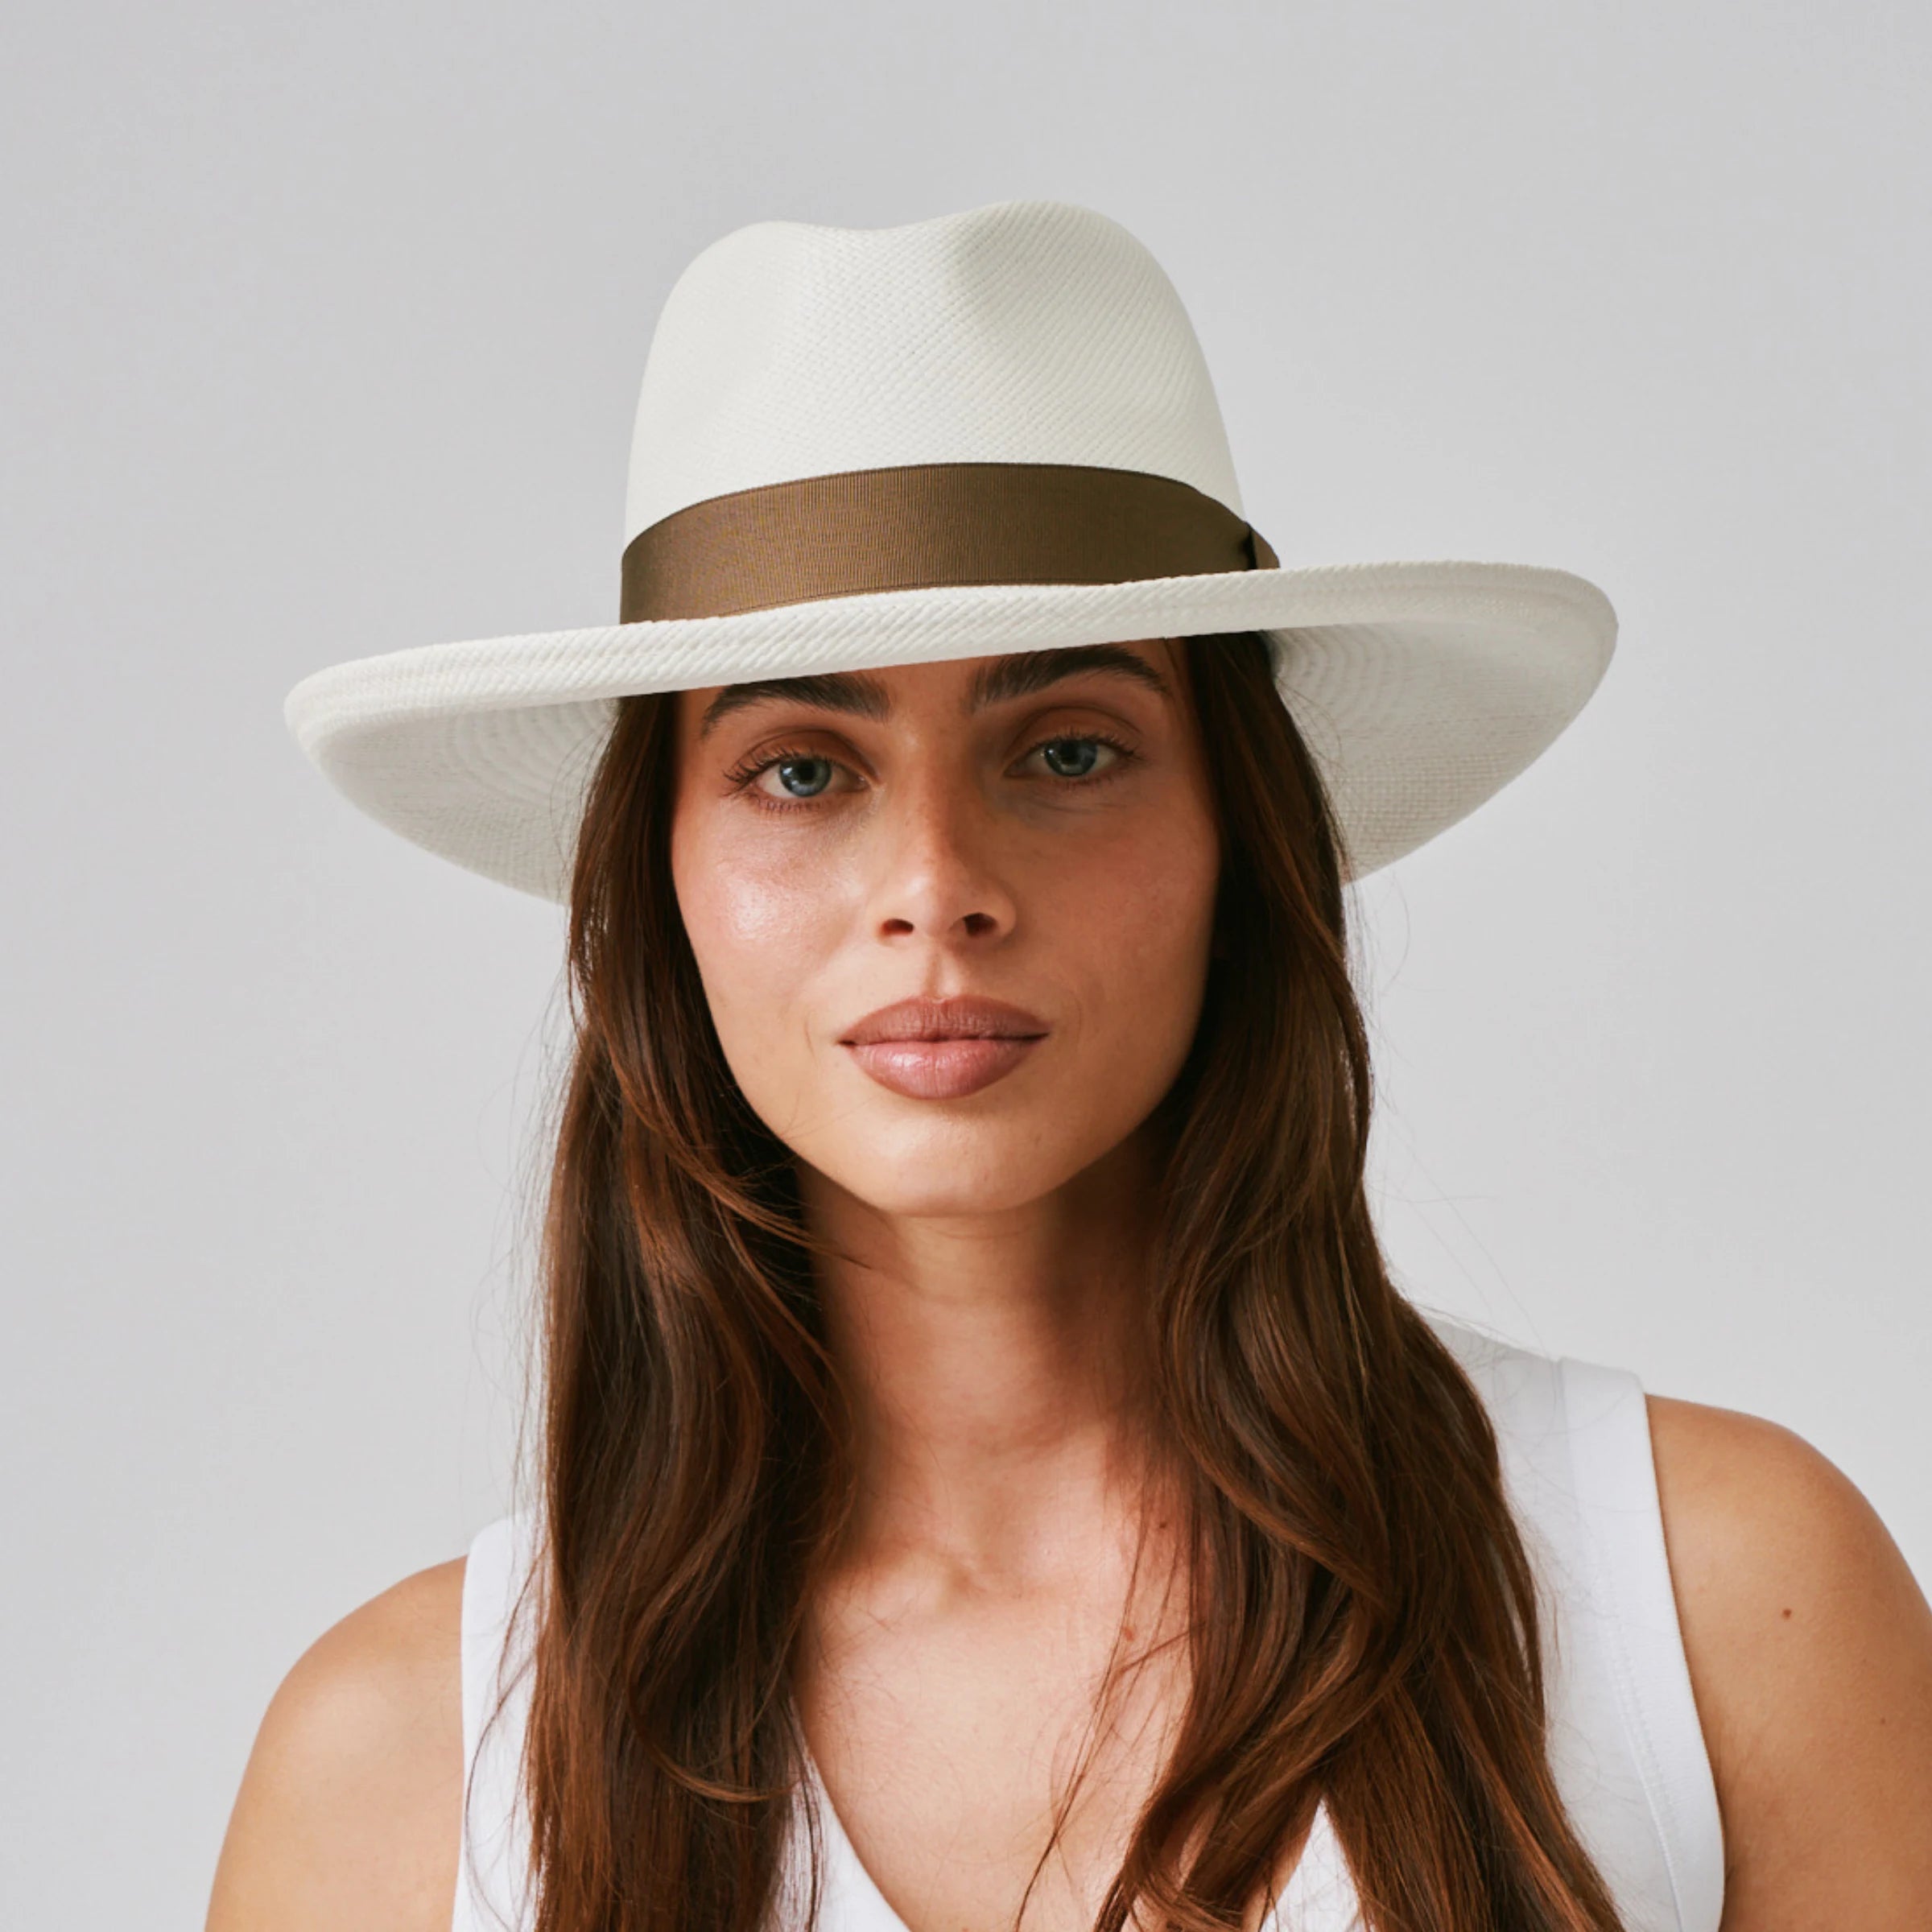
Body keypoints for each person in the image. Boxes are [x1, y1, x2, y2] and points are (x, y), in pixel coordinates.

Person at [209, 200, 1932, 1932]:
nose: (938, 888)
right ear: (658, 879)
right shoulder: (406, 1775)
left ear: (1237, 836)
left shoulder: (1719, 1608)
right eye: (802, 770)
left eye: (1070, 746)